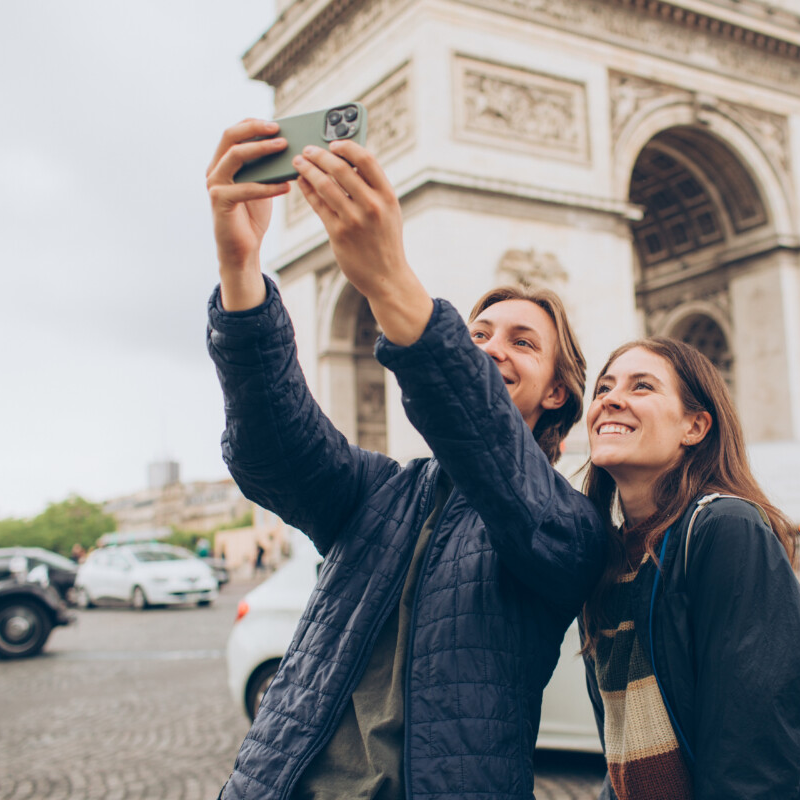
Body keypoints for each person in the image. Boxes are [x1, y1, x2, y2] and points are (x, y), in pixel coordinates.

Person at [205, 120, 605, 800]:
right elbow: (273, 448)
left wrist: (390, 277)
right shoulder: (380, 492)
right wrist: (240, 271)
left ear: (560, 390)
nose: (490, 348)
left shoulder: (569, 524)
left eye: (522, 342)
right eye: (477, 334)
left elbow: (489, 450)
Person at [577, 337, 800, 799]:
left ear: (695, 427)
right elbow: (626, 740)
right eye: (603, 388)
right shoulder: (614, 559)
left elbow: (753, 747)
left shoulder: (725, 527)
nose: (610, 400)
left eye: (642, 387)